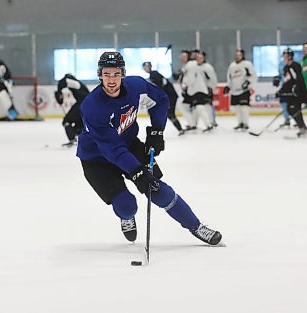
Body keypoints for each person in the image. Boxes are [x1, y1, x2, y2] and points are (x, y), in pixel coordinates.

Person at [76, 51, 222, 245]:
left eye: (116, 74)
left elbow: (160, 100)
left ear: (123, 74)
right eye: (107, 74)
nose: (111, 80)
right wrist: (137, 172)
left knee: (159, 191)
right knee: (127, 205)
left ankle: (196, 226)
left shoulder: (136, 86)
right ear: (100, 75)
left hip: (128, 146)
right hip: (97, 160)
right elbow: (111, 147)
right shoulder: (92, 106)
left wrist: (156, 131)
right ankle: (126, 216)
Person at [142, 62, 185, 135]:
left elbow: (160, 86)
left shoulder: (154, 75)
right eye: (144, 68)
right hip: (170, 96)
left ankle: (180, 129)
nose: (145, 69)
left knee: (170, 113)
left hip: (170, 96)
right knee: (169, 113)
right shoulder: (153, 75)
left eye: (146, 67)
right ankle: (179, 129)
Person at [181, 50, 215, 132]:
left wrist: (184, 83)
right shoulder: (189, 65)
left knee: (199, 107)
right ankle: (193, 124)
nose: (182, 58)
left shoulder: (191, 65)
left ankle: (208, 124)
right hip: (194, 90)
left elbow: (191, 79)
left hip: (198, 89)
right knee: (188, 106)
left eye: (184, 56)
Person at [277, 48, 307, 137]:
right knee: (290, 109)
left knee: (294, 109)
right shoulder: (286, 67)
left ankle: (302, 127)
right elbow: (287, 81)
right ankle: (301, 126)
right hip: (291, 93)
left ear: (290, 57)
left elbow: (299, 79)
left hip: (297, 92)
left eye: (285, 56)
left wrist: (298, 89)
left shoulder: (296, 66)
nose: (284, 58)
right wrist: (281, 91)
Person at [224, 49, 258, 130]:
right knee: (237, 108)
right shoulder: (232, 66)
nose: (237, 57)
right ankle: (240, 123)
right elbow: (229, 78)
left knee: (244, 108)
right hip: (234, 90)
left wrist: (248, 82)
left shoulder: (247, 64)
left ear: (242, 56)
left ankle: (245, 123)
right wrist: (228, 86)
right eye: (236, 55)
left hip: (244, 90)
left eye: (239, 55)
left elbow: (253, 76)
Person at [54, 74, 89, 147]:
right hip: (87, 104)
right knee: (80, 122)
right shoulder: (79, 85)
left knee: (66, 121)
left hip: (82, 104)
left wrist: (59, 92)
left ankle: (72, 139)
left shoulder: (74, 82)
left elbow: (63, 82)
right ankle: (78, 136)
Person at [197, 51, 219, 127]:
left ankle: (212, 121)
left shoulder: (208, 67)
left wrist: (211, 88)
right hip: (198, 90)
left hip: (207, 89)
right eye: (198, 57)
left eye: (201, 58)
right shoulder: (195, 67)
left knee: (208, 106)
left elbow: (213, 79)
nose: (199, 59)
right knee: (198, 107)